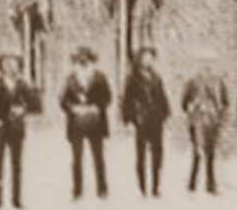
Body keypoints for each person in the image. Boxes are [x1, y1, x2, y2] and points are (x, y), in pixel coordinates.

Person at [0, 52, 33, 209]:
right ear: (1, 67)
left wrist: (23, 109)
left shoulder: (23, 86)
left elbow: (36, 104)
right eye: (6, 63)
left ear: (19, 66)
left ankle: (16, 200)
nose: (10, 66)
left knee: (17, 165)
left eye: (14, 63)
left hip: (16, 130)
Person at [59, 45, 112, 201]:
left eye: (86, 59)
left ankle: (102, 189)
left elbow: (107, 97)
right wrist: (73, 108)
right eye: (80, 59)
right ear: (76, 61)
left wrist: (97, 107)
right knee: (77, 158)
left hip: (96, 123)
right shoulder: (71, 79)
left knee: (98, 157)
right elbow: (63, 101)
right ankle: (77, 190)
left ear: (91, 60)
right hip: (76, 124)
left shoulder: (99, 77)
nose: (83, 61)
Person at [122, 45, 171, 197]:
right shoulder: (133, 78)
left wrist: (165, 115)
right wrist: (129, 120)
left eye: (151, 58)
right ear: (140, 59)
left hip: (156, 120)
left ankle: (156, 187)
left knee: (157, 154)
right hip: (141, 120)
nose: (148, 60)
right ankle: (142, 188)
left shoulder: (156, 77)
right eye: (145, 58)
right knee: (141, 155)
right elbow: (127, 100)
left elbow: (162, 97)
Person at [181, 48, 229, 195]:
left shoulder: (219, 81)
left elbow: (226, 101)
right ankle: (192, 184)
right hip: (197, 120)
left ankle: (211, 184)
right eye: (204, 62)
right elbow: (184, 102)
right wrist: (192, 106)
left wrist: (219, 113)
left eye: (210, 63)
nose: (207, 66)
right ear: (199, 64)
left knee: (211, 152)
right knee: (197, 152)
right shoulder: (192, 81)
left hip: (212, 121)